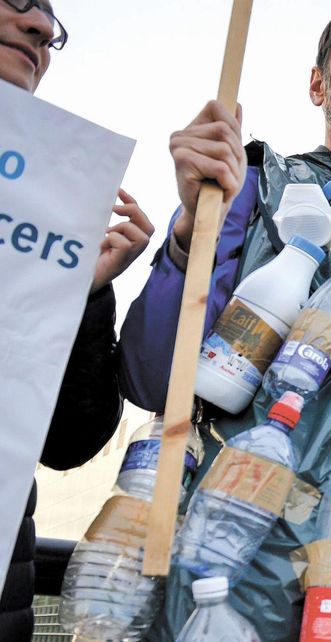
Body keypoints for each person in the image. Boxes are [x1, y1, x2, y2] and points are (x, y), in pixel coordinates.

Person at [119, 3, 331, 410]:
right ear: (318, 85)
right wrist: (194, 227)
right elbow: (153, 380)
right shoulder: (248, 185)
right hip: (248, 450)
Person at [0, 2, 154, 639]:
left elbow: (71, 442)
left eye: (50, 27)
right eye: (16, 3)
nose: (40, 30)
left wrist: (81, 295)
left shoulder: (51, 216)